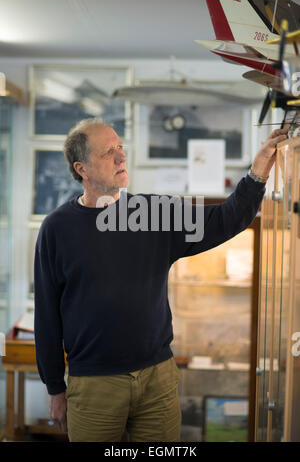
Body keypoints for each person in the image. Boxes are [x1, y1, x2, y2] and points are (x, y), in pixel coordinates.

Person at [34, 118, 289, 442]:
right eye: (108, 152)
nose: (120, 157)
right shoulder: (57, 229)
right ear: (81, 168)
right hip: (95, 384)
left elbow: (227, 218)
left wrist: (259, 169)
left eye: (120, 147)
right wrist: (55, 388)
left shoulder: (153, 214)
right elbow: (46, 316)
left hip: (157, 378)